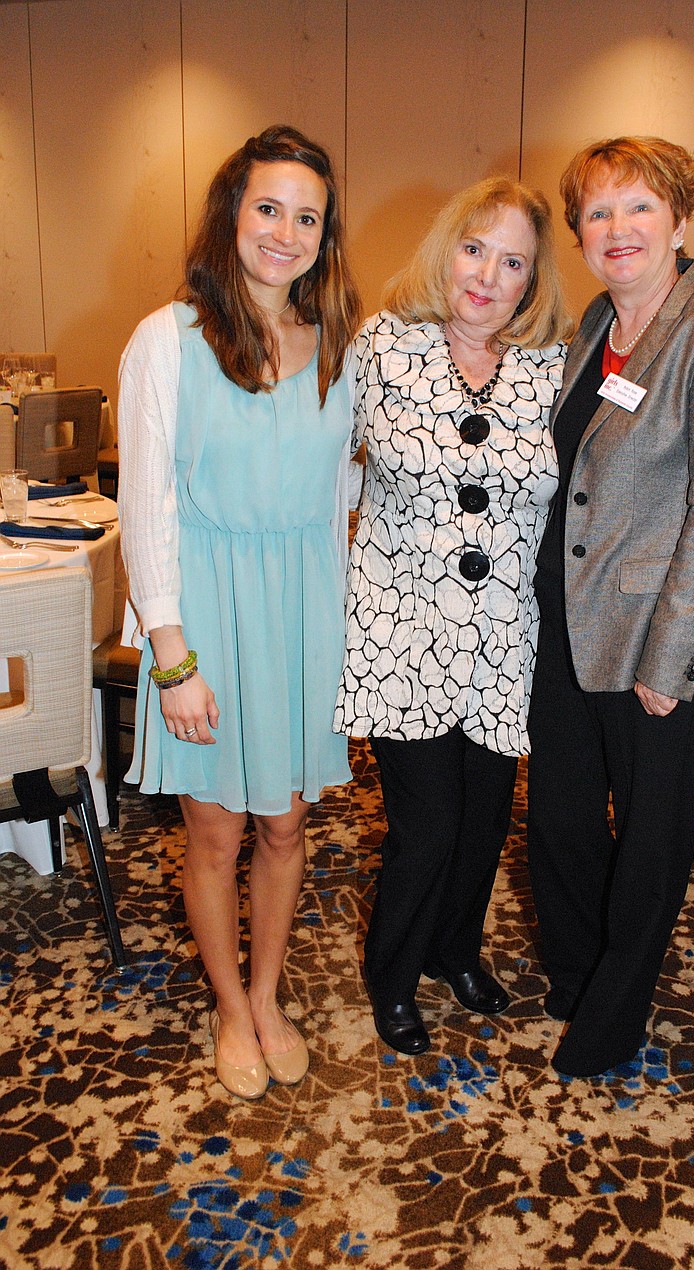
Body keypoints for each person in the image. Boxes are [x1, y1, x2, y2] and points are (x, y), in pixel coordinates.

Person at [118, 126, 361, 1099]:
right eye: (269, 207)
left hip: (299, 614)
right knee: (216, 834)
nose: (285, 231)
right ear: (232, 213)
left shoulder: (337, 344)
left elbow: (341, 491)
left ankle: (267, 994)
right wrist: (171, 657)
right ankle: (228, 1004)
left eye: (307, 216)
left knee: (287, 829)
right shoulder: (166, 340)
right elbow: (144, 507)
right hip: (208, 617)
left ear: (322, 235)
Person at [529, 136, 694, 1076]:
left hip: (655, 635)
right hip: (563, 621)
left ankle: (614, 1013)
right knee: (557, 815)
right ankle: (575, 969)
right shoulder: (594, 324)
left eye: (638, 207)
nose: (617, 228)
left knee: (649, 836)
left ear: (679, 217)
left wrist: (671, 664)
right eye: (596, 213)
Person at [334, 177, 572, 1055]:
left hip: (505, 634)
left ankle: (454, 950)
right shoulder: (383, 347)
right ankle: (393, 976)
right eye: (475, 249)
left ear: (532, 280)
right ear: (447, 250)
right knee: (426, 825)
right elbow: (327, 467)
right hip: (403, 632)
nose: (488, 275)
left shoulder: (553, 368)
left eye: (513, 261)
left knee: (482, 821)